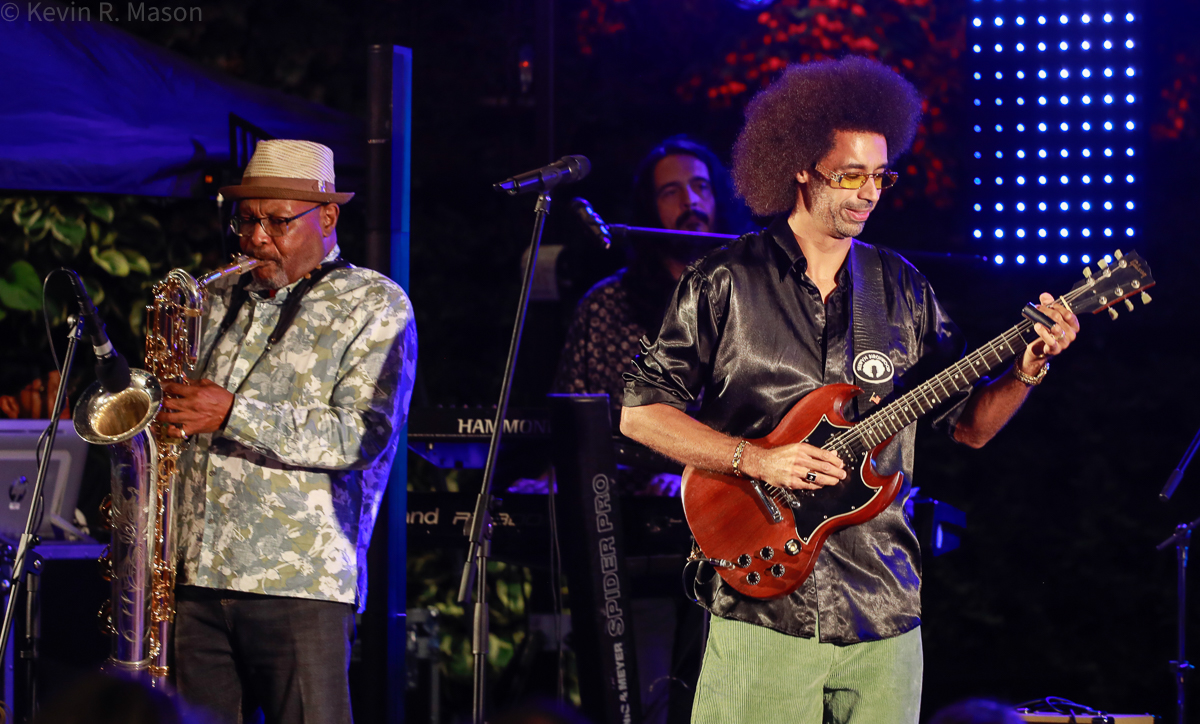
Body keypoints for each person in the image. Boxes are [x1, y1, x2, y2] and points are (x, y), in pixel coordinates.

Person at [620, 57, 1079, 723]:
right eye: (850, 175)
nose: (869, 193)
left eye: (881, 176)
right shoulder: (725, 280)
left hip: (883, 606)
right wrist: (757, 460)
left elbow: (972, 427)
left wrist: (1027, 369)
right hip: (761, 607)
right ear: (802, 169)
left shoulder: (903, 288)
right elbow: (640, 413)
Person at [156, 139, 418, 724]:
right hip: (193, 577)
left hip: (299, 583)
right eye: (247, 220)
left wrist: (232, 412)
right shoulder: (213, 297)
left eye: (277, 221)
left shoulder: (374, 303)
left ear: (327, 218)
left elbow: (361, 436)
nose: (255, 238)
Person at [552, 136, 751, 428]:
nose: (690, 200)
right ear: (650, 209)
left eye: (700, 186)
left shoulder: (753, 292)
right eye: (671, 192)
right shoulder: (606, 304)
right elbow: (574, 424)